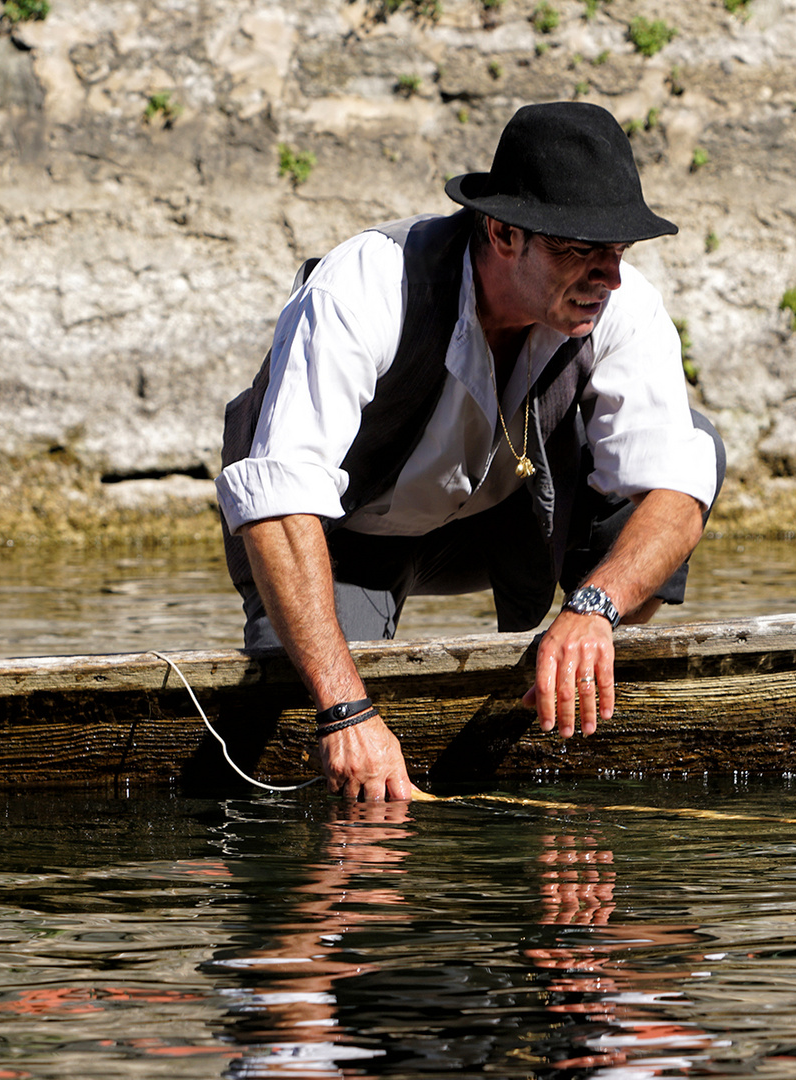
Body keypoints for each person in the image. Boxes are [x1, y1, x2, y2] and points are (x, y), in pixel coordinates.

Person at [215, 102, 724, 801]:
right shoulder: (366, 284)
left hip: (500, 528)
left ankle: (581, 648)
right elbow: (276, 505)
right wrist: (345, 710)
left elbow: (675, 490)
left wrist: (595, 609)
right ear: (503, 232)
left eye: (618, 251)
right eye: (580, 249)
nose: (607, 275)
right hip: (340, 539)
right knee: (308, 728)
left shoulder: (621, 303)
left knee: (698, 443)